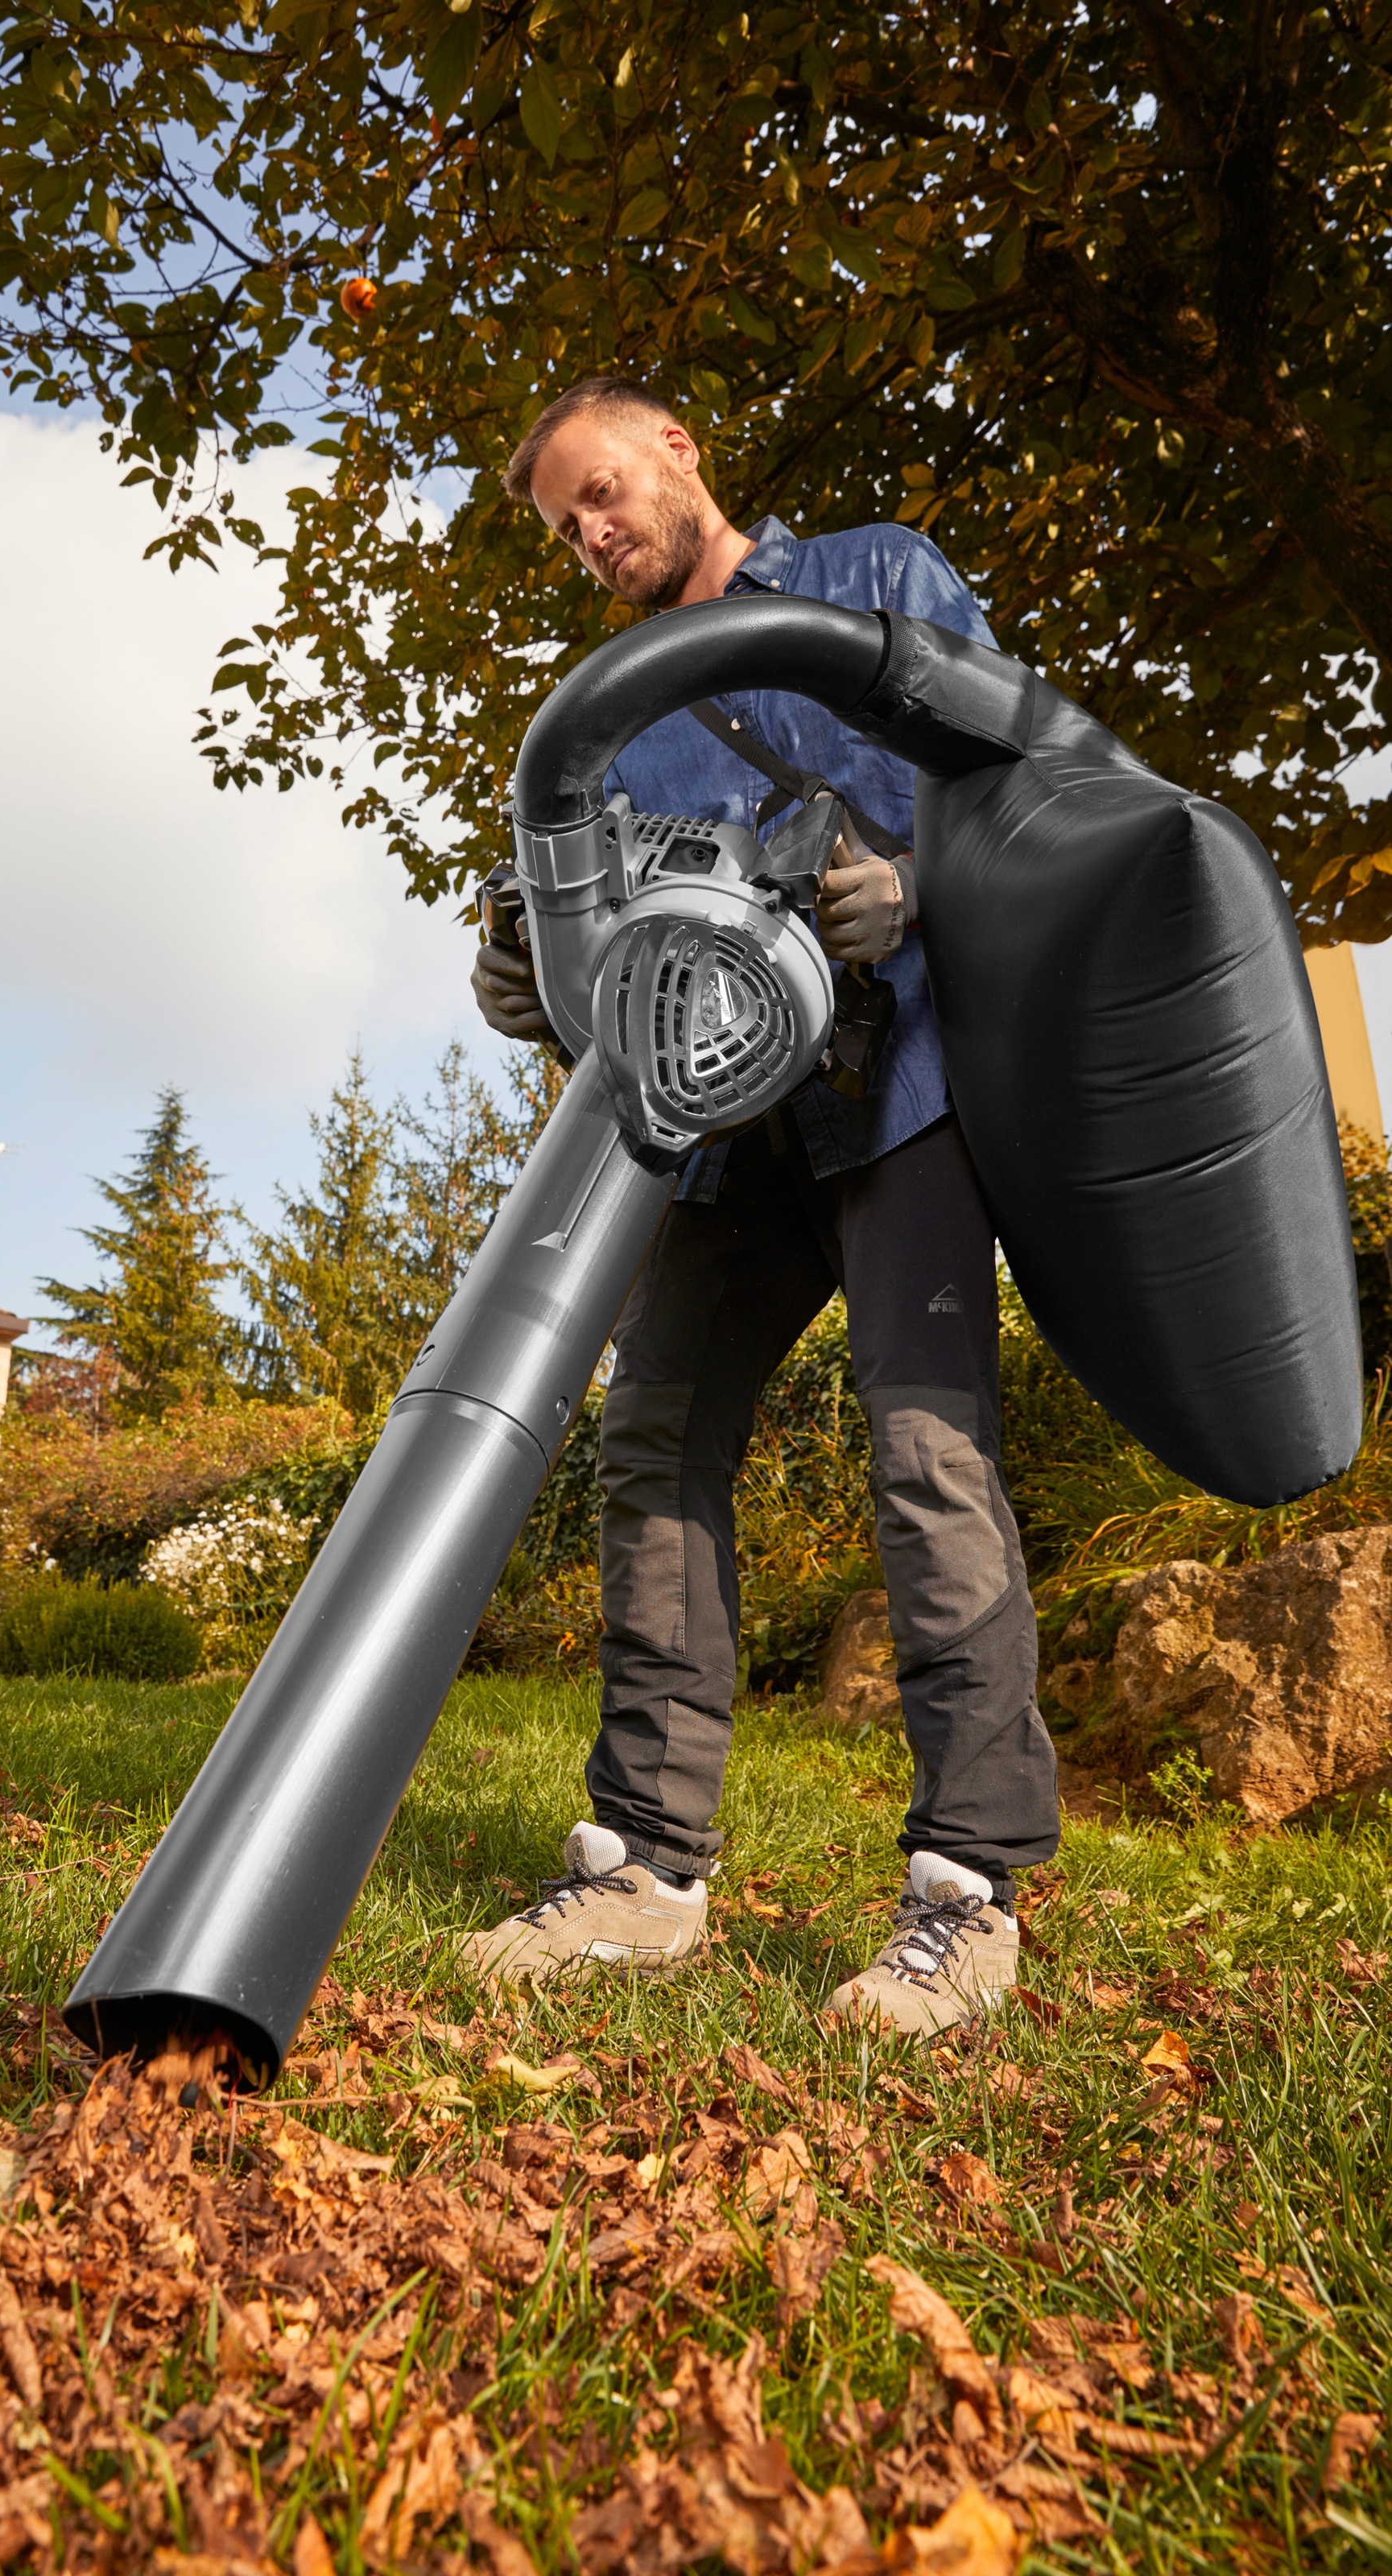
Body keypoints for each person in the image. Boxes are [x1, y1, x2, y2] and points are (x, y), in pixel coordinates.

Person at [465, 377, 1060, 2038]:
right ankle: (647, 1871)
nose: (590, 532)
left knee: (925, 1457)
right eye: (561, 524)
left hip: (908, 1092)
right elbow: (600, 949)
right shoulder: (601, 709)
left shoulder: (877, 578)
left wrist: (910, 885)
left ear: (677, 445)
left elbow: (1015, 778)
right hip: (718, 1135)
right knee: (653, 1448)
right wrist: (532, 973)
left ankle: (965, 1891)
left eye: (598, 488)